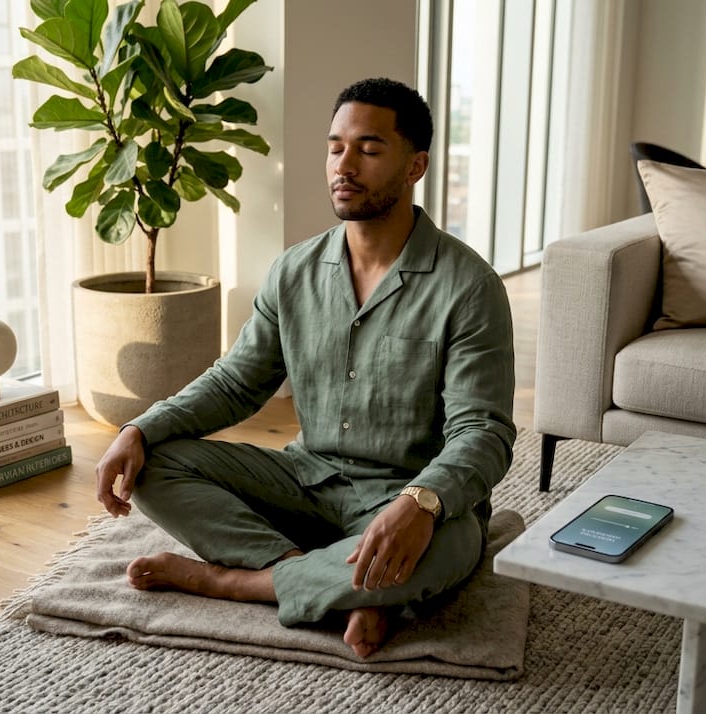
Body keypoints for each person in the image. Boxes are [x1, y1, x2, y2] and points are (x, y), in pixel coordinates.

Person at [94, 77, 515, 659]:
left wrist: (422, 502)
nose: (345, 165)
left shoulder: (470, 286)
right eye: (335, 147)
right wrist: (140, 427)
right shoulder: (293, 271)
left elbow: (485, 432)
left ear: (415, 166)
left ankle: (233, 582)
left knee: (457, 543)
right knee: (153, 463)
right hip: (306, 483)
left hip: (406, 497)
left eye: (369, 149)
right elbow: (237, 383)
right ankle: (340, 583)